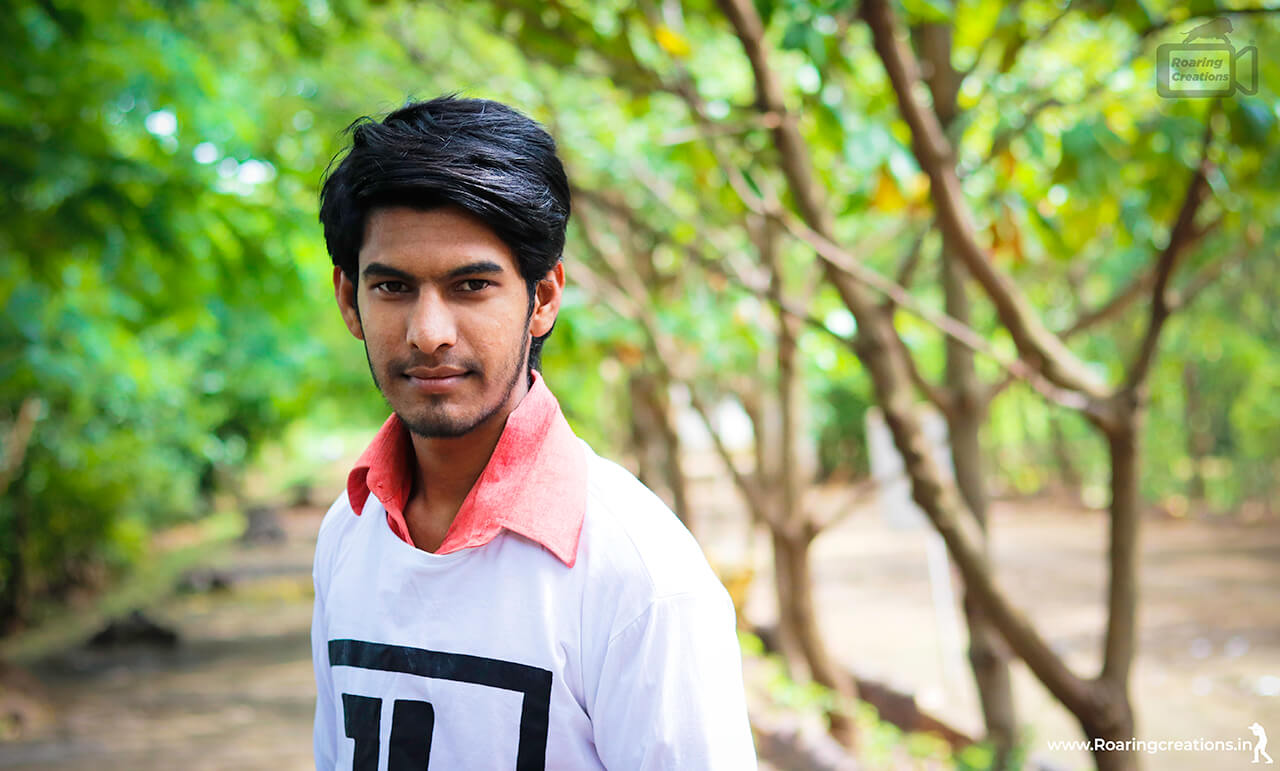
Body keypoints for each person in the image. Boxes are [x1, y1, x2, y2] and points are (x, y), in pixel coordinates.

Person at [311, 95, 757, 770]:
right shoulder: (348, 532)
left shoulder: (638, 574)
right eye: (394, 287)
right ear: (350, 299)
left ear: (543, 297)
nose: (429, 332)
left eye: (471, 285)